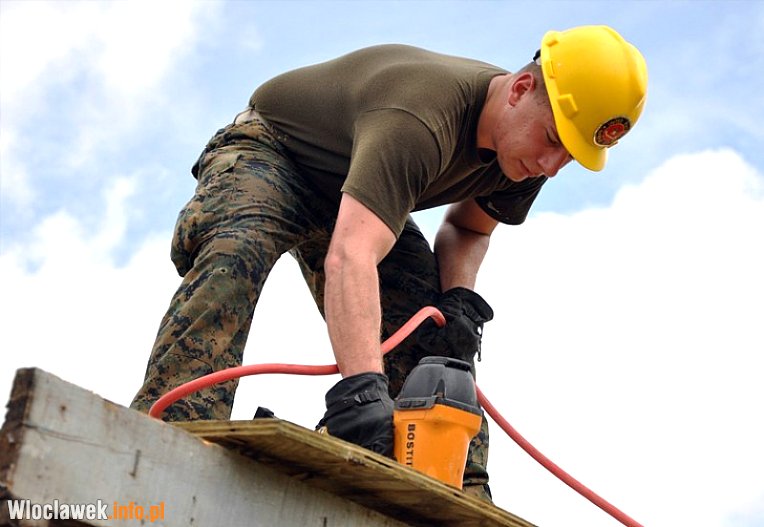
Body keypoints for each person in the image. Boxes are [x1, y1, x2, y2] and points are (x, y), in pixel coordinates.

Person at [131, 25, 648, 499]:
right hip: (276, 153)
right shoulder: (421, 119)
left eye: (570, 156)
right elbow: (351, 255)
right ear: (520, 90)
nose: (551, 166)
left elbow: (469, 228)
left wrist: (458, 297)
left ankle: (458, 482)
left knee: (434, 329)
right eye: (553, 140)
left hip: (358, 193)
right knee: (236, 256)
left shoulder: (527, 157)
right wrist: (360, 392)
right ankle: (173, 424)